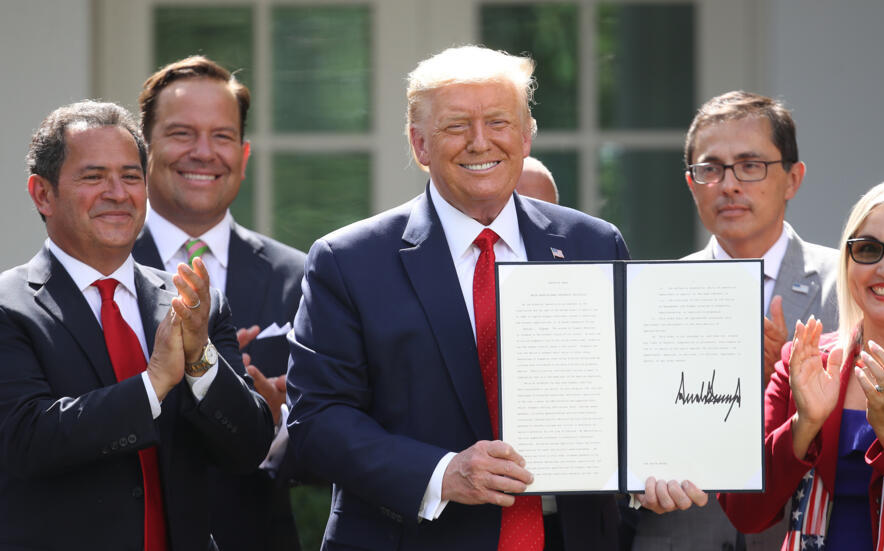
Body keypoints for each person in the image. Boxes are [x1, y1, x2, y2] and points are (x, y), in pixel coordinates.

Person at [286, 45, 651, 551]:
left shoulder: (594, 244)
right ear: (419, 145)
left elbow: (633, 393)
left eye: (499, 122)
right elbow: (317, 422)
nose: (481, 142)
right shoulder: (347, 261)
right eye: (456, 126)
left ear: (525, 137)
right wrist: (443, 473)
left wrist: (659, 467)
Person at [0, 100, 274, 549]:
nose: (118, 193)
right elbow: (26, 441)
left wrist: (200, 362)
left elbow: (247, 448)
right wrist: (152, 386)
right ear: (42, 194)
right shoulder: (10, 308)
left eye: (131, 176)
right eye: (94, 177)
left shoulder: (192, 302)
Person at [719, 170, 884, 549]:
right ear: (848, 262)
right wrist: (803, 424)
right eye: (868, 249)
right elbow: (744, 512)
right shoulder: (803, 361)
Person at [632, 90, 839, 551]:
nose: (729, 185)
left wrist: (782, 382)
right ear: (691, 182)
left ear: (792, 178)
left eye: (750, 166)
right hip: (681, 532)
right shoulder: (655, 294)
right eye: (710, 168)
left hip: (802, 533)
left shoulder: (845, 285)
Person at [131, 55, 305, 551]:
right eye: (182, 133)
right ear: (146, 150)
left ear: (244, 156)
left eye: (222, 136)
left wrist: (274, 425)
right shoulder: (105, 274)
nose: (204, 152)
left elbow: (334, 426)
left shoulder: (303, 277)